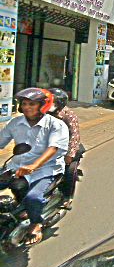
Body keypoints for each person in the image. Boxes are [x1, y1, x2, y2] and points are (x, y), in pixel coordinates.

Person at [0, 88, 69, 245]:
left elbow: (54, 148)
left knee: (33, 198)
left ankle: (36, 224)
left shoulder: (56, 125)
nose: (27, 107)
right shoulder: (15, 123)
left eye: (32, 104)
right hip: (16, 167)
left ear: (42, 105)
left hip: (45, 170)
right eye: (24, 104)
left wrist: (34, 165)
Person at [48, 88, 82, 209]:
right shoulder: (41, 112)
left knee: (69, 170)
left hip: (66, 147)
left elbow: (74, 136)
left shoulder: (68, 115)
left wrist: (69, 154)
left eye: (53, 102)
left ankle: (67, 197)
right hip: (47, 146)